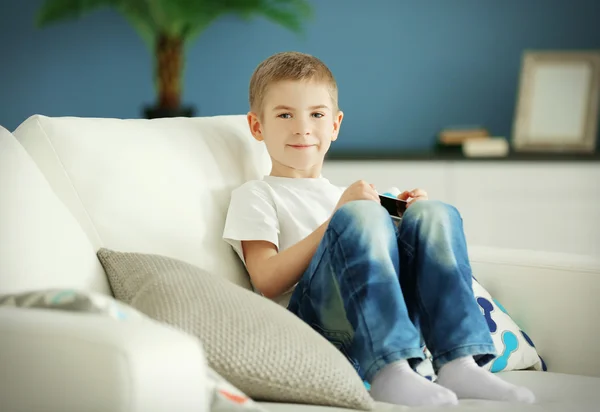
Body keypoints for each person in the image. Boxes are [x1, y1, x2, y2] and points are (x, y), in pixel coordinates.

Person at [223, 51, 536, 407]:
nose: (302, 127)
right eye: (284, 115)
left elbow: (382, 265)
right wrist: (339, 218)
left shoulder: (345, 195)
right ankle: (388, 372)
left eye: (317, 114)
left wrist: (406, 218)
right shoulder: (256, 195)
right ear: (257, 126)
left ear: (335, 125)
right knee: (359, 217)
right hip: (317, 329)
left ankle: (459, 362)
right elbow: (266, 280)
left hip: (377, 315)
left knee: (434, 213)